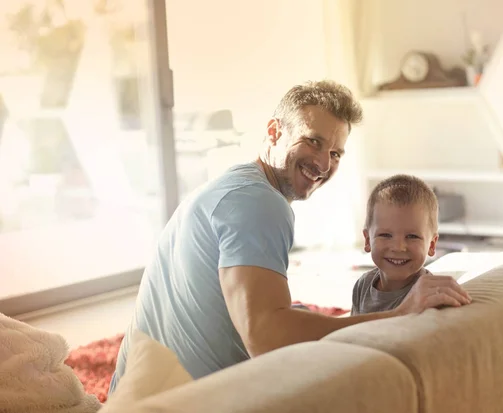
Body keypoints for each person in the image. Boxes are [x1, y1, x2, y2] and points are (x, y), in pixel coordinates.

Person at [109, 80, 472, 394]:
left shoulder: (231, 187)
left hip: (133, 395)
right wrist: (401, 313)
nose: (324, 164)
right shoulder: (261, 204)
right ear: (274, 132)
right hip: (193, 402)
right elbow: (267, 338)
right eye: (312, 142)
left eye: (335, 153)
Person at [352, 174, 471, 315]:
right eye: (385, 235)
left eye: (412, 236)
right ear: (367, 241)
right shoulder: (362, 285)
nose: (398, 247)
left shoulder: (430, 295)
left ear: (432, 245)